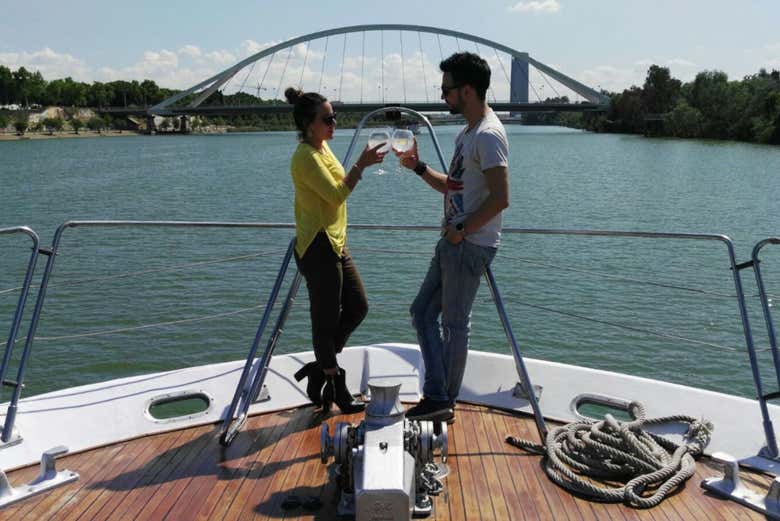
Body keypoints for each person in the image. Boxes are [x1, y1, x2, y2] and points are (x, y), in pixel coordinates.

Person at [398, 53, 510, 422]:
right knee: (422, 313)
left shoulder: (489, 135)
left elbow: (501, 198)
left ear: (466, 90)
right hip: (453, 242)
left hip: (469, 245)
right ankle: (437, 394)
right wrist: (418, 167)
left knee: (455, 324)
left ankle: (442, 401)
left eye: (447, 89)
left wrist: (462, 230)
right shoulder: (468, 134)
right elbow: (454, 187)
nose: (443, 96)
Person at [285, 87, 386, 413]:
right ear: (308, 124)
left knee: (358, 306)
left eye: (335, 118)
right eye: (328, 119)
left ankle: (320, 367)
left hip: (336, 243)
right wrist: (362, 163)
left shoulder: (323, 148)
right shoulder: (305, 157)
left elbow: (338, 189)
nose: (334, 124)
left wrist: (360, 165)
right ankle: (335, 384)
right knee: (325, 321)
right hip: (317, 246)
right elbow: (336, 195)